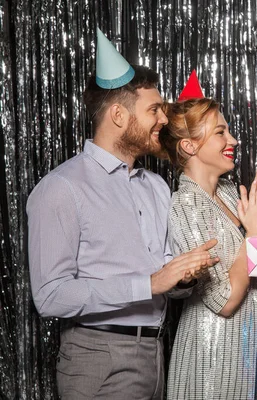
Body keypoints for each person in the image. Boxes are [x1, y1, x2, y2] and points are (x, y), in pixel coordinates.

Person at [26, 30, 218, 400]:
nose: (164, 118)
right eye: (154, 110)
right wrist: (149, 283)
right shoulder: (61, 188)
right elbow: (49, 296)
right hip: (98, 357)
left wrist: (183, 277)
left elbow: (162, 270)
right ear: (118, 115)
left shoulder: (156, 186)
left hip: (157, 353)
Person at [160, 86, 257, 399]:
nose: (233, 141)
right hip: (212, 354)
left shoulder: (228, 192)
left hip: (248, 343)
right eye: (221, 133)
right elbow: (223, 301)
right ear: (189, 146)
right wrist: (253, 234)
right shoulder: (184, 205)